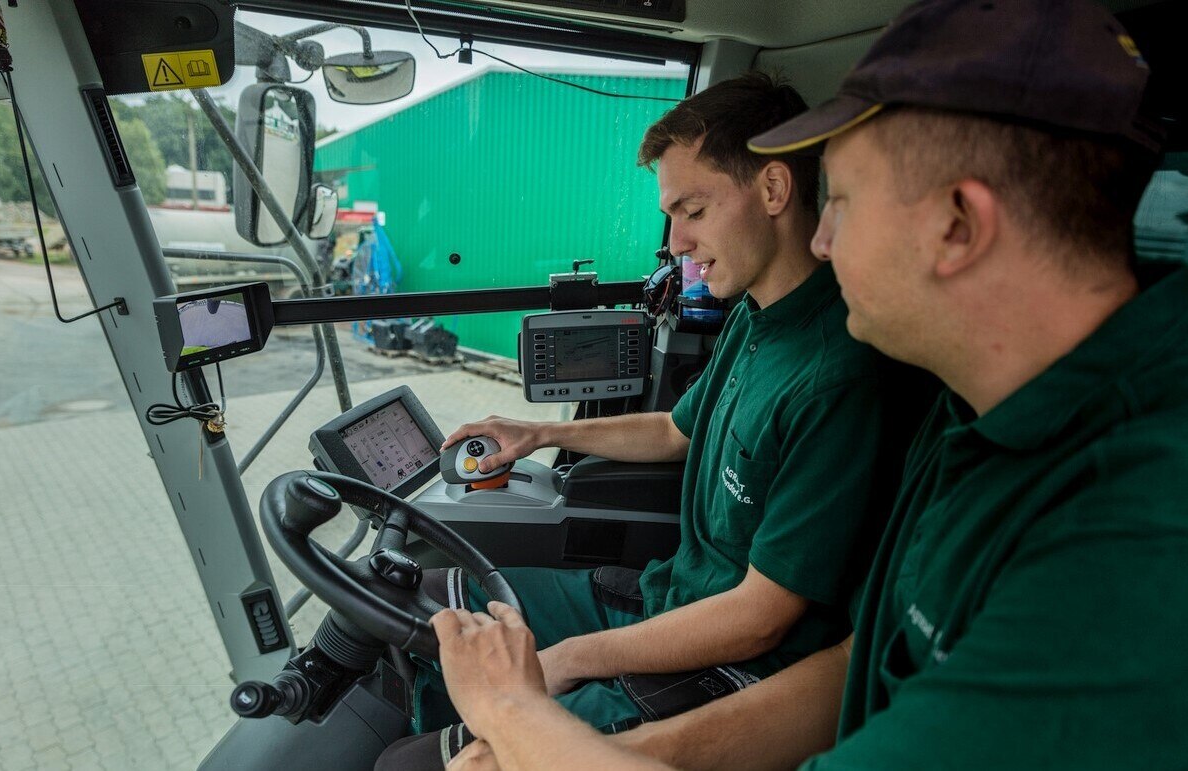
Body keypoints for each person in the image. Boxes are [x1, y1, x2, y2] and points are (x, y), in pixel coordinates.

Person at [422, 0, 1188, 769]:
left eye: (846, 203)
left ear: (958, 225)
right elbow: (854, 663)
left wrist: (520, 714)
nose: (824, 240)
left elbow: (778, 632)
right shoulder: (978, 411)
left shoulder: (1137, 542)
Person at [376, 72, 935, 769]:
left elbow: (762, 616)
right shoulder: (756, 317)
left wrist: (573, 659)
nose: (674, 241)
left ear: (772, 190)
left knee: (406, 765)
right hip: (662, 598)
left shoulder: (837, 376)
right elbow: (676, 429)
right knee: (433, 608)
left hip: (734, 659)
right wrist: (544, 433)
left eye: (692, 209)